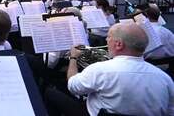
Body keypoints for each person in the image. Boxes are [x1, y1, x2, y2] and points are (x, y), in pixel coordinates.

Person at [46, 23, 174, 116]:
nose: (107, 40)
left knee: (50, 93)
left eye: (109, 37)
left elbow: (73, 87)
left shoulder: (99, 70)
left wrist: (73, 58)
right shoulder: (165, 79)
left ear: (119, 44)